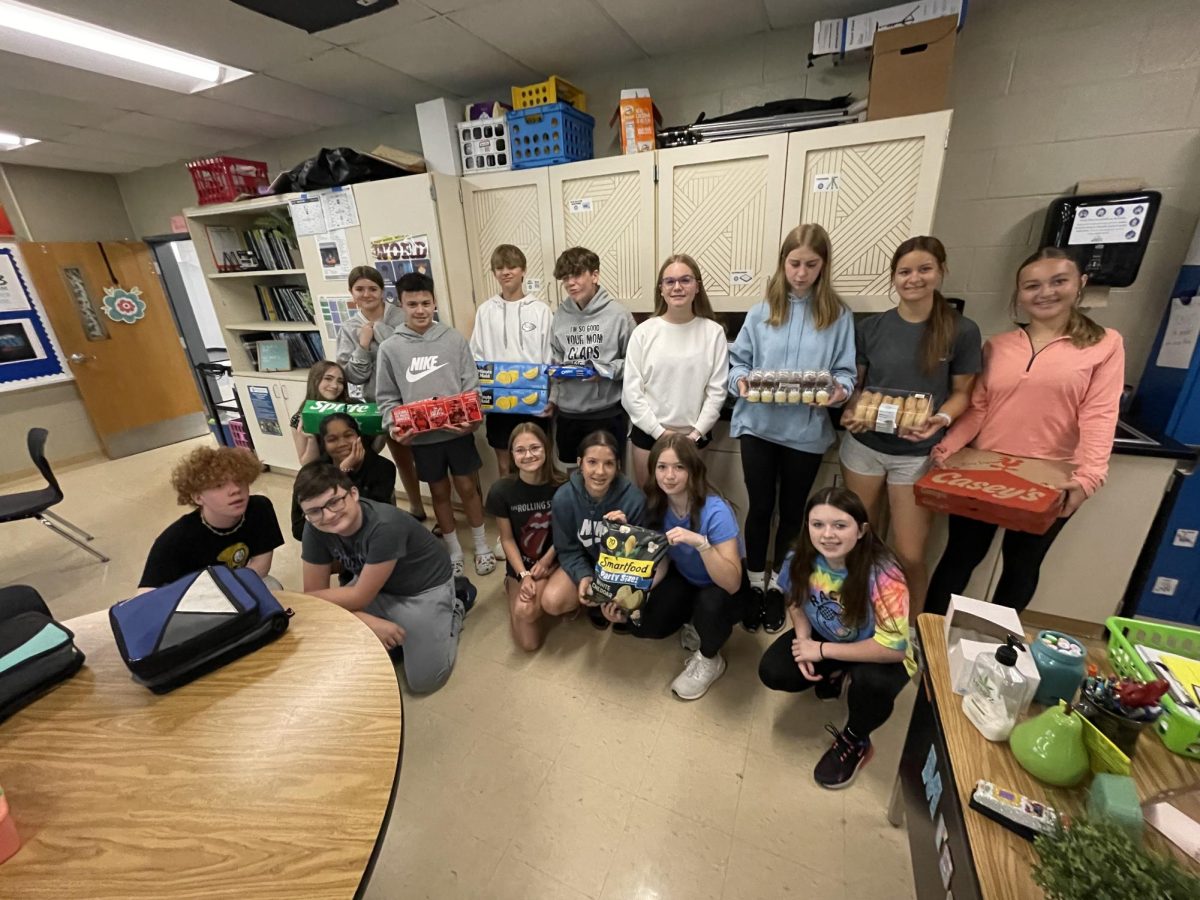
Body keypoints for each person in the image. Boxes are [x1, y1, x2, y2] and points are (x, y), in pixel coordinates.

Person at [925, 247, 1125, 614]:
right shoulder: (998, 346)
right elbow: (979, 409)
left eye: (1058, 281)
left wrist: (1090, 477)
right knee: (959, 559)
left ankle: (1001, 653)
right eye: (1032, 285)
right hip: (983, 470)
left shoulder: (1104, 344)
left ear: (1080, 285)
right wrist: (948, 446)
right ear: (1019, 293)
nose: (1045, 292)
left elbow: (1100, 415)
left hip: (1049, 477)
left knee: (1020, 567)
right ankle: (928, 645)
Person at [840, 237, 981, 617]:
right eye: (905, 271)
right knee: (856, 540)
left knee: (909, 552)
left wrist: (940, 419)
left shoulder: (961, 330)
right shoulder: (872, 328)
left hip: (916, 456)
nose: (914, 278)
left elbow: (963, 393)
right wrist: (853, 409)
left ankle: (911, 627)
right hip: (864, 448)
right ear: (894, 277)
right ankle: (857, 613)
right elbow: (857, 385)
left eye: (924, 269)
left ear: (940, 272)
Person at [728, 224, 856, 634]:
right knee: (760, 508)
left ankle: (779, 589)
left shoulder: (837, 316)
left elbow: (846, 375)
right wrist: (741, 383)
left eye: (810, 265)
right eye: (794, 263)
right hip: (759, 426)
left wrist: (838, 392)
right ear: (783, 263)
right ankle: (751, 584)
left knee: (793, 515)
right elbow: (737, 366)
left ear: (824, 266)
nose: (801, 273)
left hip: (805, 433)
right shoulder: (761, 311)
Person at [758, 487, 915, 789]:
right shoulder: (800, 557)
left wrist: (820, 650)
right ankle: (835, 673)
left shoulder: (884, 575)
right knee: (774, 671)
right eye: (818, 525)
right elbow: (794, 600)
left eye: (840, 525)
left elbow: (893, 649)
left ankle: (855, 740)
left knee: (873, 686)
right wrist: (804, 641)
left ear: (861, 530)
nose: (827, 534)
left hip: (877, 651)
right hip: (826, 635)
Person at [297, 464, 464, 694]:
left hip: (422, 589)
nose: (327, 515)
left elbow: (356, 596)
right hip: (373, 582)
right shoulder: (314, 527)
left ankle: (454, 607)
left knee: (425, 682)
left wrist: (360, 616)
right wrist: (368, 621)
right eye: (314, 511)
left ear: (353, 494)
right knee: (336, 651)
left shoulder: (385, 525)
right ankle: (391, 630)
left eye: (334, 502)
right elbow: (313, 596)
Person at [608, 433, 746, 700]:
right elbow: (662, 560)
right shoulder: (657, 505)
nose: (669, 476)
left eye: (678, 467)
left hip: (723, 588)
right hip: (685, 578)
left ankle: (710, 658)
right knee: (641, 625)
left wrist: (702, 544)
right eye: (662, 467)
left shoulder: (715, 511)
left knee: (711, 606)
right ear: (653, 470)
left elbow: (732, 583)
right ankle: (693, 620)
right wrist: (636, 596)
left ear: (693, 470)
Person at [375, 272, 495, 577]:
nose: (420, 310)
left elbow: (472, 388)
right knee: (439, 493)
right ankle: (454, 551)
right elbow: (387, 399)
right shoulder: (391, 348)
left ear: (434, 302)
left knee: (469, 488)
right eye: (412, 303)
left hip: (458, 434)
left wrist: (471, 420)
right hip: (423, 440)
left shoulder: (453, 339)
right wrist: (396, 426)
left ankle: (481, 546)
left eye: (425, 302)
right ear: (400, 304)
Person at [622, 254, 729, 488]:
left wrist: (695, 434)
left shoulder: (713, 333)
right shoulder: (643, 332)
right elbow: (631, 393)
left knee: (688, 507)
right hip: (648, 435)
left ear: (697, 287)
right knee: (650, 509)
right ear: (660, 289)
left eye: (685, 280)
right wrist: (659, 432)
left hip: (694, 437)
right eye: (669, 281)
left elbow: (717, 391)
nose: (677, 287)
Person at [336, 265, 426, 521]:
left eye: (372, 288)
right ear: (352, 292)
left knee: (429, 457)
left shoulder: (401, 315)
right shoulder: (350, 328)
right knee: (399, 459)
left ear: (382, 290)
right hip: (381, 403)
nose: (366, 294)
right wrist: (363, 345)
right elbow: (352, 375)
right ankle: (414, 508)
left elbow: (413, 354)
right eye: (359, 289)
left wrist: (379, 330)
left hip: (415, 397)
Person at [139, 446, 283, 592]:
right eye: (219, 485)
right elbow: (144, 596)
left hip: (239, 585)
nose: (235, 490)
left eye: (240, 481)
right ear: (197, 497)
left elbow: (261, 566)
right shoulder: (176, 539)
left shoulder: (259, 509)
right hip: (194, 599)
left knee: (274, 588)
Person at [469, 244, 554, 478]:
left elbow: (549, 356)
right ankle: (508, 514)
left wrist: (549, 396)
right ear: (494, 273)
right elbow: (476, 355)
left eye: (512, 267)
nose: (506, 272)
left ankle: (541, 514)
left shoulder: (541, 310)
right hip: (498, 403)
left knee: (537, 463)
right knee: (505, 466)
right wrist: (481, 395)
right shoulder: (485, 311)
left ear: (523, 270)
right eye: (499, 267)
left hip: (534, 402)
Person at [548, 430, 646, 631]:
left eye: (608, 463)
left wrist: (625, 534)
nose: (600, 472)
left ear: (618, 466)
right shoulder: (564, 497)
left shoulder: (634, 500)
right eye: (592, 462)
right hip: (585, 562)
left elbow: (640, 560)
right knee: (552, 601)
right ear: (580, 463)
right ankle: (587, 602)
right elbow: (567, 549)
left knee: (627, 613)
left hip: (620, 570)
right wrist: (584, 576)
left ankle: (606, 604)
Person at [549, 246, 636, 466]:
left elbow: (636, 365)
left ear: (595, 275)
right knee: (574, 478)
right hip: (568, 414)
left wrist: (605, 371)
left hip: (606, 413)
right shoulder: (559, 315)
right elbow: (555, 360)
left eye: (577, 275)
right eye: (565, 278)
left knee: (610, 477)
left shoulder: (619, 315)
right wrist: (552, 397)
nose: (570, 283)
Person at [485, 423, 565, 651]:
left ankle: (552, 597)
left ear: (546, 449)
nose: (528, 455)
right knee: (528, 642)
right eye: (520, 450)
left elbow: (566, 535)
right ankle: (515, 587)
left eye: (535, 448)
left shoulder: (562, 487)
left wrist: (547, 562)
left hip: (555, 561)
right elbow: (507, 539)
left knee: (553, 601)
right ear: (511, 454)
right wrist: (523, 575)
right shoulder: (501, 490)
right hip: (522, 566)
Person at [289, 412, 397, 540]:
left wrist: (345, 472)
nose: (342, 443)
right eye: (332, 439)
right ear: (324, 444)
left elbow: (372, 519)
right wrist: (342, 471)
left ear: (359, 436)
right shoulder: (310, 473)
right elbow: (299, 531)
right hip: (328, 544)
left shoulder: (383, 467)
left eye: (348, 435)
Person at [290, 360, 349, 466]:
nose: (335, 386)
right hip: (324, 474)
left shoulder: (350, 408)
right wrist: (311, 438)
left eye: (340, 381)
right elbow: (307, 464)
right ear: (315, 380)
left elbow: (370, 448)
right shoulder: (300, 417)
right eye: (328, 379)